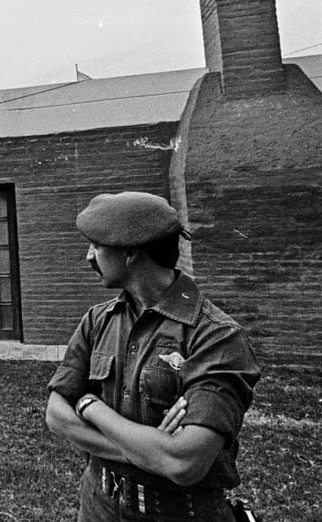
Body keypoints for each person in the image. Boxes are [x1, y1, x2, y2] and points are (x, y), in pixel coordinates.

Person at [46, 191, 260, 521]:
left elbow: (184, 463)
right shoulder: (97, 320)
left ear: (130, 252)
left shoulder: (217, 337)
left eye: (97, 246)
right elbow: (57, 415)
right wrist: (150, 452)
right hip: (98, 507)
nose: (89, 256)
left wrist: (92, 407)